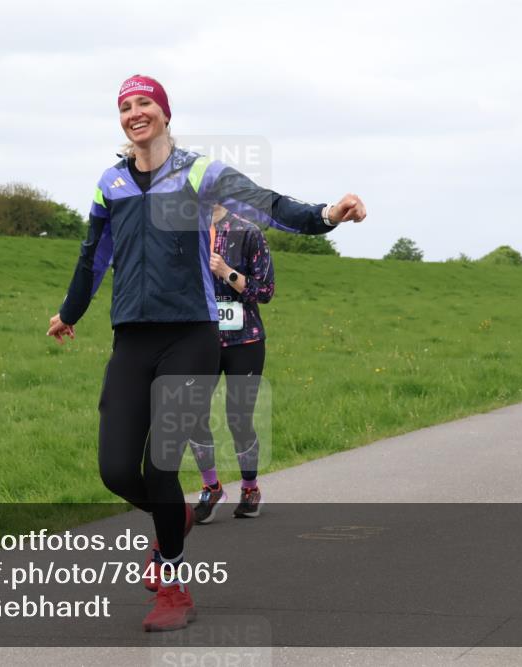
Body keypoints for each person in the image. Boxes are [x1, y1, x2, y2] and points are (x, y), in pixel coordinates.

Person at [46, 74, 367, 632]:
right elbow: (91, 256)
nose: (135, 113)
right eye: (126, 106)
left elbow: (268, 206)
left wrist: (326, 216)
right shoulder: (111, 182)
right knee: (117, 471)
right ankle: (178, 519)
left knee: (161, 465)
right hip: (132, 338)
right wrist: (69, 314)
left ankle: (171, 584)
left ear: (165, 113)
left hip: (191, 337)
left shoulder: (200, 172)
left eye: (145, 103)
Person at [190, 204, 273, 523]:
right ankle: (211, 487)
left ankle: (250, 490)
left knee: (238, 418)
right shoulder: (181, 232)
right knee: (192, 414)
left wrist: (227, 272)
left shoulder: (248, 233)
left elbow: (265, 291)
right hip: (200, 339)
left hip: (245, 341)